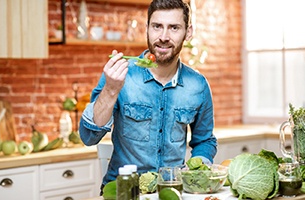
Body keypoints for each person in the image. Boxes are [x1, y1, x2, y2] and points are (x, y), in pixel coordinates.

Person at [79, 0, 217, 193]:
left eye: (174, 28)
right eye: (157, 26)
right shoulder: (119, 75)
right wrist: (111, 91)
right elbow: (88, 137)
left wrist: (197, 167)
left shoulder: (198, 85)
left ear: (188, 32)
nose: (163, 36)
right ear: (147, 28)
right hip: (123, 190)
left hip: (171, 190)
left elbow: (204, 140)